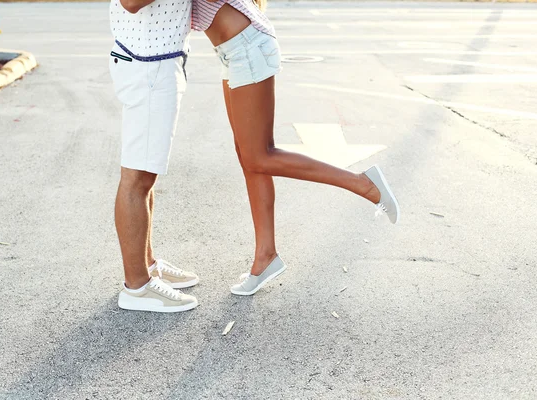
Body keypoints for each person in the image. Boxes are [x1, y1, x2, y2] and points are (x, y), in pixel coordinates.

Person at [191, 0, 400, 296]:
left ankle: (364, 184)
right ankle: (266, 257)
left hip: (247, 47)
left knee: (259, 155)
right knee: (250, 159)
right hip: (233, 50)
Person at [109, 0, 199, 312]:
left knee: (146, 175)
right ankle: (137, 287)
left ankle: (147, 266)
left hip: (156, 60)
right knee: (136, 179)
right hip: (148, 64)